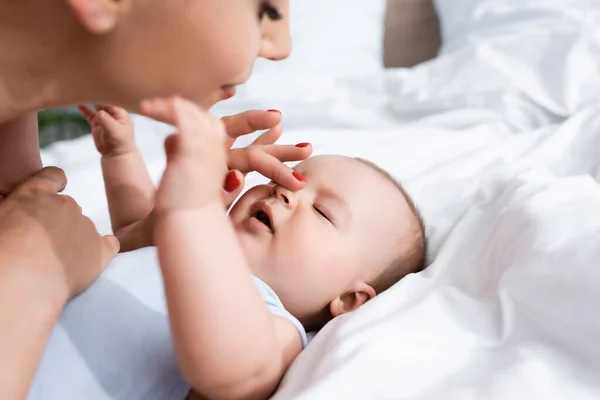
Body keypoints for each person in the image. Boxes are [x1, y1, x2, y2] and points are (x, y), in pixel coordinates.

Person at [0, 1, 309, 398]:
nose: (280, 47)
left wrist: (173, 223)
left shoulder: (272, 321)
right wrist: (29, 267)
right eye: (265, 10)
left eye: (322, 211)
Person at [29, 98, 426, 400]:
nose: (287, 195)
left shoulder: (275, 326)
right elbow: (135, 233)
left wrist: (194, 214)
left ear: (350, 299)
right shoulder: (186, 237)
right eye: (282, 182)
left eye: (322, 212)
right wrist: (120, 155)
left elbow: (226, 367)